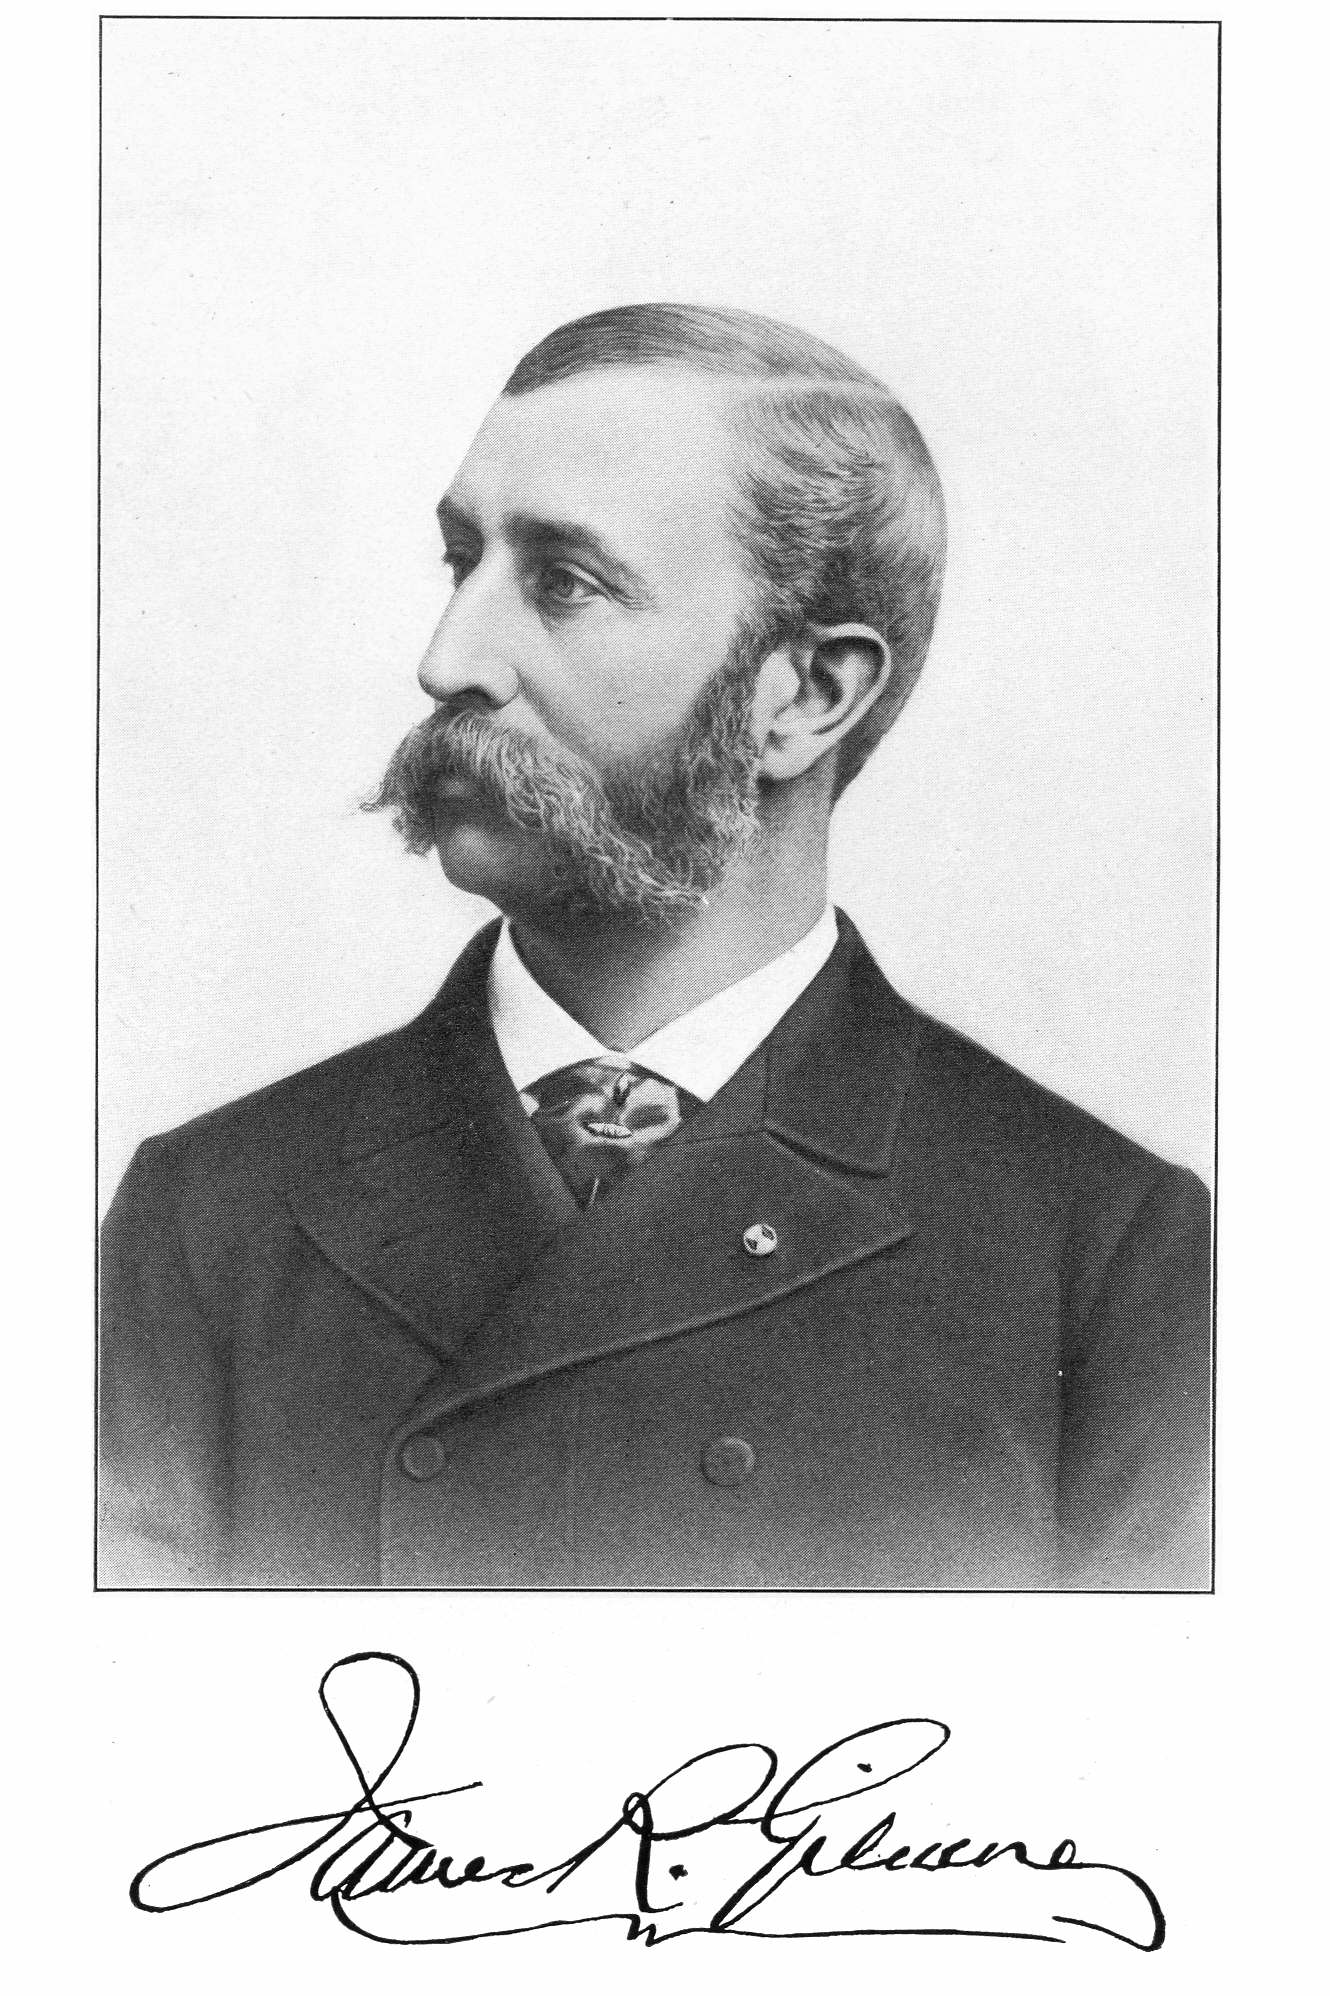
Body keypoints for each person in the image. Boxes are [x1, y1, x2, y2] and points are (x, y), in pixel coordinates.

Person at [99, 302, 1211, 1591]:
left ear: (807, 696)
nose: (447, 662)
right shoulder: (210, 1217)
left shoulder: (1107, 1257)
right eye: (463, 562)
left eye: (564, 584)